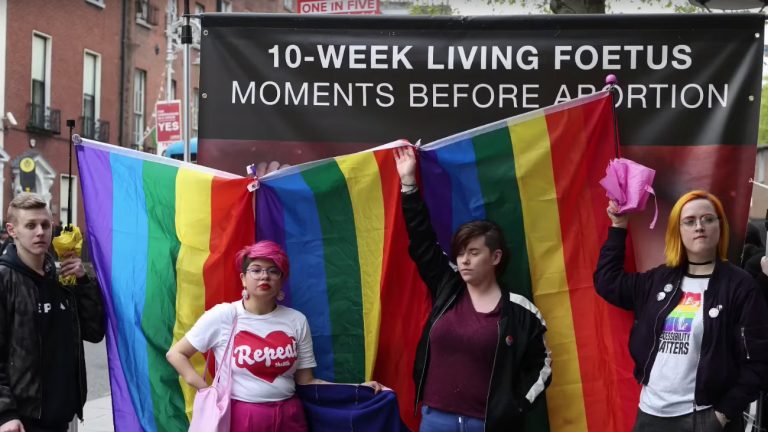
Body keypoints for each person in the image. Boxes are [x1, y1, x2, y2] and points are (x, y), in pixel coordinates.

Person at [393, 146, 552, 432]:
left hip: (487, 425)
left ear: (495, 257)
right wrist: (408, 183)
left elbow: (542, 365)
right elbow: (422, 241)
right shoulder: (447, 286)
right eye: (460, 252)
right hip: (435, 420)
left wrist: (516, 407)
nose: (463, 259)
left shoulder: (519, 311)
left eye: (474, 252)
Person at [594, 190, 768, 432]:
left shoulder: (740, 287)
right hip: (650, 415)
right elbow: (607, 282)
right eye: (689, 221)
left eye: (708, 218)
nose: (699, 226)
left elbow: (758, 361)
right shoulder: (658, 280)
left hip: (706, 418)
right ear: (678, 230)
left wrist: (722, 415)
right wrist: (618, 226)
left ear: (720, 226)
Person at [166, 241, 383, 432]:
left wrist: (358, 389)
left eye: (273, 271)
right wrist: (207, 391)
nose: (264, 276)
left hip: (290, 415)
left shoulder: (296, 320)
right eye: (256, 270)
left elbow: (307, 381)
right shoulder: (224, 315)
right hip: (241, 416)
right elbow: (176, 354)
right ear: (243, 279)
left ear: (281, 280)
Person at [0, 192, 105, 432]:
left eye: (45, 224)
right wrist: (5, 414)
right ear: (12, 230)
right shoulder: (4, 280)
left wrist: (82, 283)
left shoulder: (61, 279)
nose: (40, 232)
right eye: (30, 225)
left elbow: (94, 331)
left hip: (63, 418)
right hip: (21, 421)